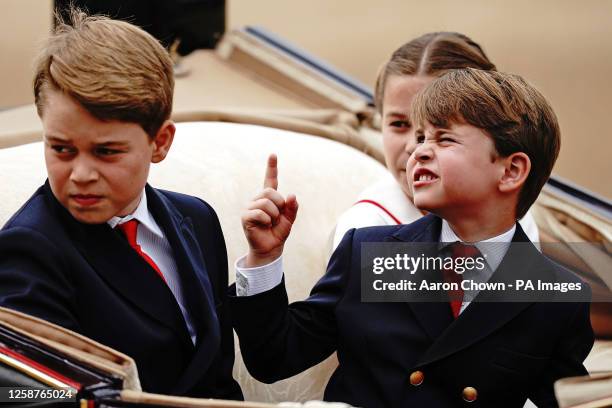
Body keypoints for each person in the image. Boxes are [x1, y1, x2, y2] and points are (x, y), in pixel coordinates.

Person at [230, 69, 593, 407]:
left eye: (444, 139)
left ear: (511, 170)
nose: (417, 151)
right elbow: (274, 358)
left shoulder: (555, 296)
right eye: (421, 138)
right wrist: (264, 258)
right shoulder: (367, 251)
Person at [0, 9, 242, 400]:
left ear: (160, 142)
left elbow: (218, 371)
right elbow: (37, 397)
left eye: (106, 152)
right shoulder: (28, 250)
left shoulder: (198, 219)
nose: (80, 173)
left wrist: (264, 266)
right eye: (61, 148)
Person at [332, 32, 540, 249]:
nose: (414, 146)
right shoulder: (364, 230)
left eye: (443, 132)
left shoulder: (513, 217)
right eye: (399, 124)